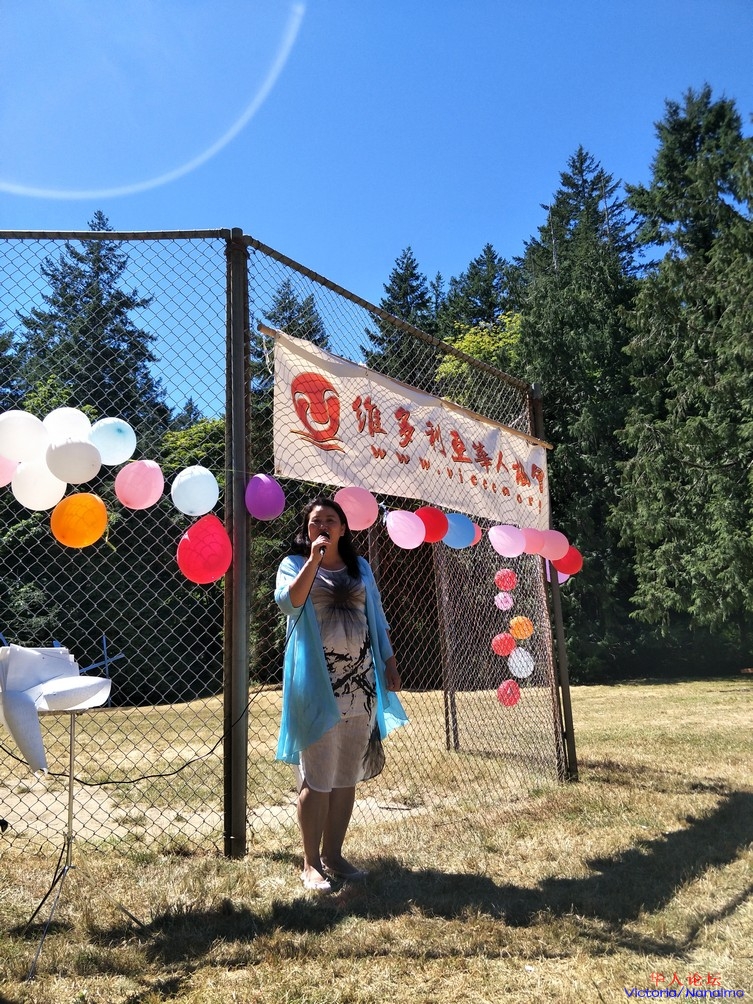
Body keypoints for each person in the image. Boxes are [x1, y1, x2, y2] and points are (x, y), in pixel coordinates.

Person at [275, 496, 408, 891]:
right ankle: (310, 863)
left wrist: (389, 662)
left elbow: (377, 619)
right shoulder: (294, 564)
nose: (324, 526)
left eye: (331, 520)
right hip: (316, 688)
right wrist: (314, 561)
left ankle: (333, 855)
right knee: (317, 777)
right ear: (307, 530)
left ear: (344, 528)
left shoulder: (359, 567)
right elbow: (289, 603)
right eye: (316, 521)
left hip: (361, 686)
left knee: (345, 776)